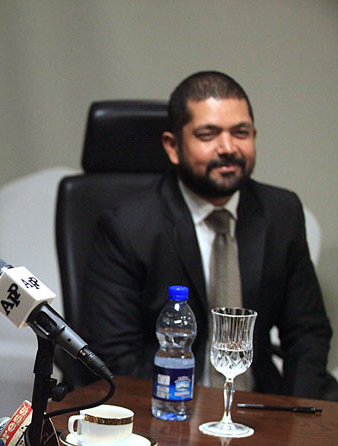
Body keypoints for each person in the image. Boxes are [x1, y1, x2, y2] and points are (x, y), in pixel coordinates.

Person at [77, 71, 333, 399]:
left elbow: (307, 332)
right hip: (166, 405)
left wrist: (296, 414)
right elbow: (115, 353)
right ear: (173, 146)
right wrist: (188, 416)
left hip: (261, 406)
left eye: (240, 132)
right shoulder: (128, 225)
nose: (228, 148)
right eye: (208, 134)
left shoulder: (281, 212)